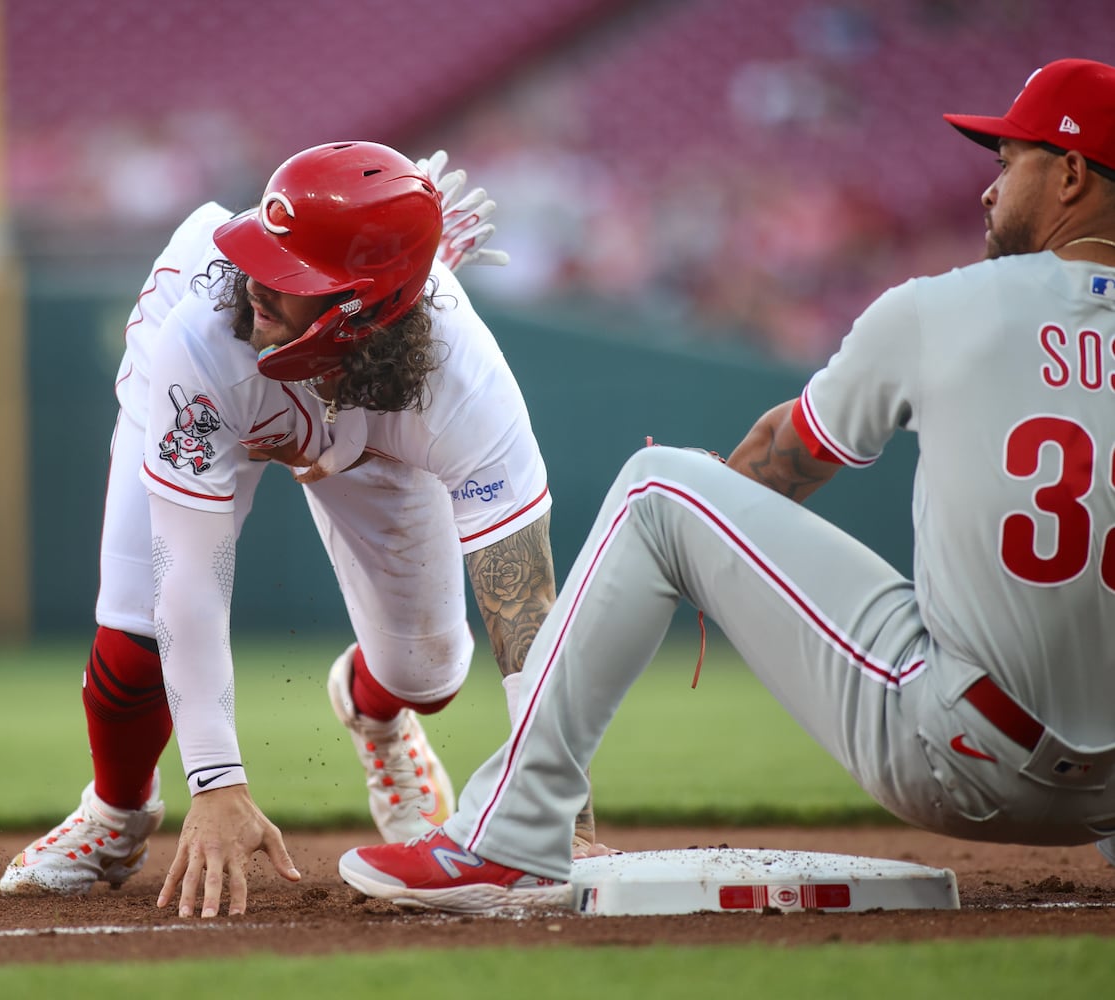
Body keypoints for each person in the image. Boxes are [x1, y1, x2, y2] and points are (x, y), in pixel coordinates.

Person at [339, 57, 1115, 913]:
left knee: (657, 494)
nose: (988, 188)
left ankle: (509, 839)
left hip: (966, 758)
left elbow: (793, 454)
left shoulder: (945, 308)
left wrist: (707, 549)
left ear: (1072, 172)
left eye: (1010, 162)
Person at [0, 141, 603, 917]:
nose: (256, 284)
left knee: (430, 676)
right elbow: (189, 577)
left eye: (292, 275)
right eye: (261, 253)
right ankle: (115, 818)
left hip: (373, 406)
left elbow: (526, 617)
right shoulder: (207, 328)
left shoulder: (461, 379)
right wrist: (215, 783)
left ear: (375, 306)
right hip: (218, 392)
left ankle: (372, 710)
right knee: (135, 627)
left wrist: (566, 824)